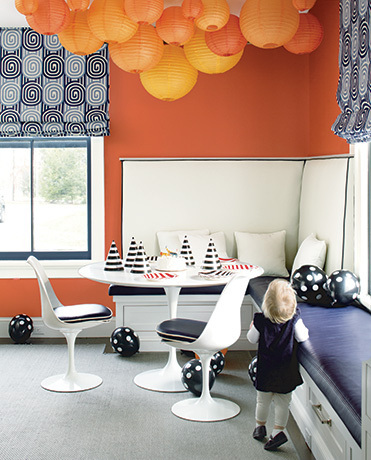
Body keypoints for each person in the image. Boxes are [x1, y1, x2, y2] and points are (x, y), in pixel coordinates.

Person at [247, 279, 309, 451]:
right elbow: (303, 337)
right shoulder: (294, 320)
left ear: (266, 303)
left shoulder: (260, 321)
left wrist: (253, 326)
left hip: (265, 371)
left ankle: (260, 426)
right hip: (285, 371)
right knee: (283, 403)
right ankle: (278, 431)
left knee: (262, 400)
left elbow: (252, 338)